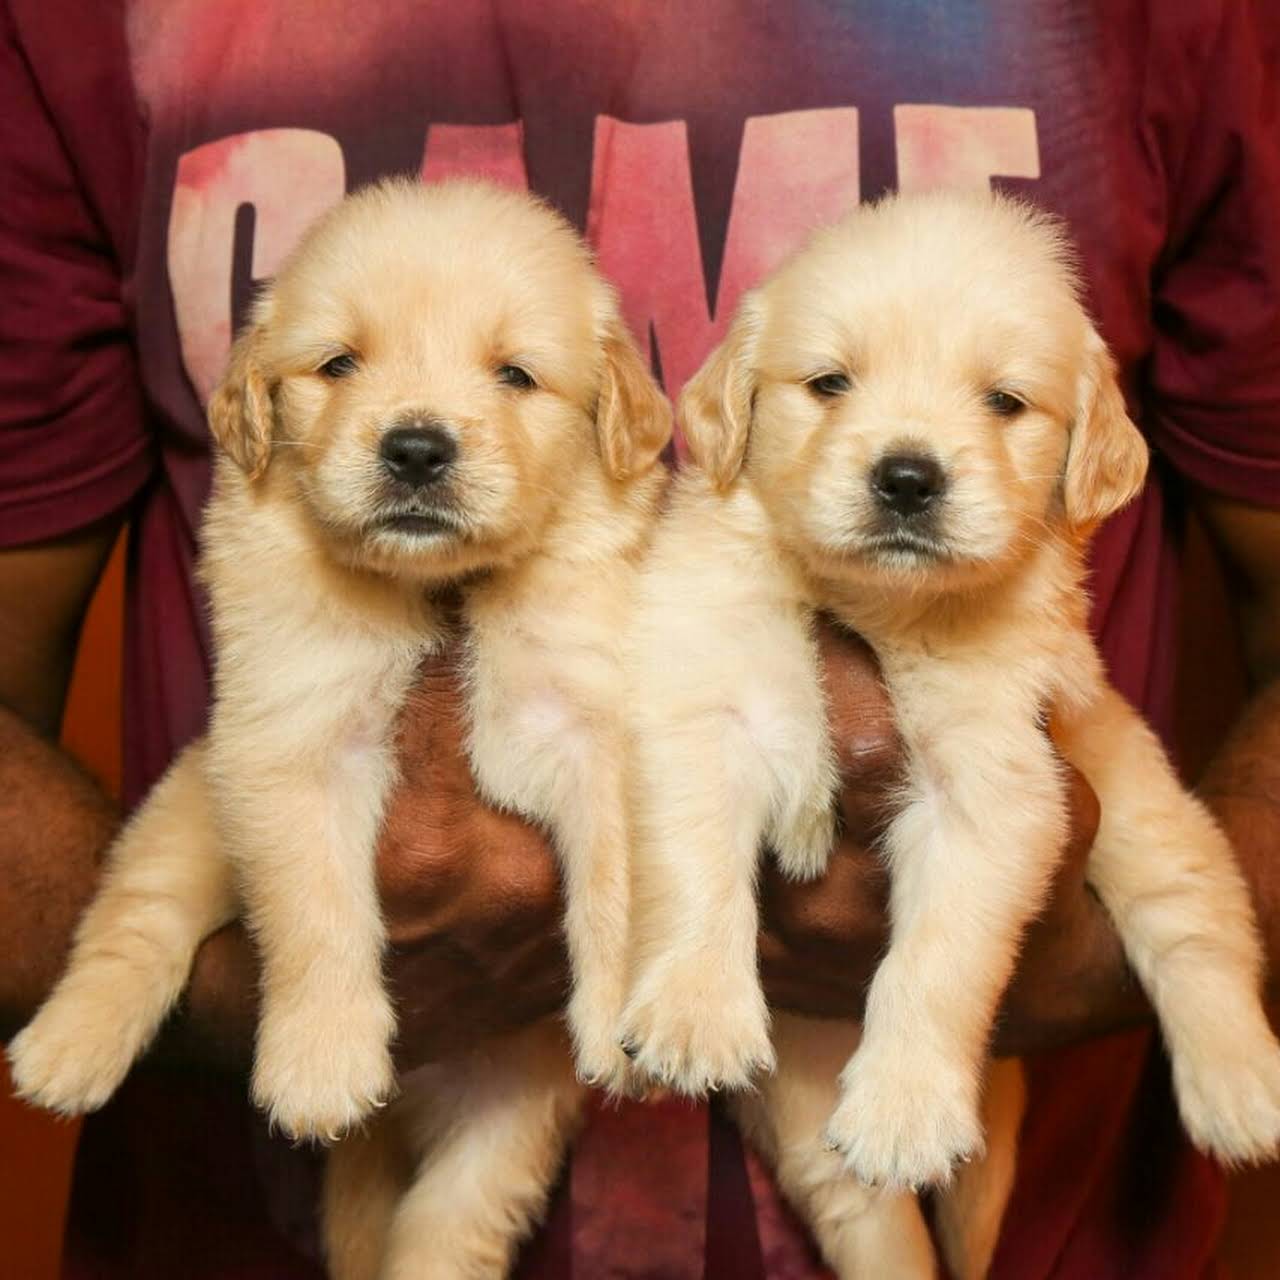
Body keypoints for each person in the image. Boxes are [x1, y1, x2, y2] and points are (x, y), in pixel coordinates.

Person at [1, 1, 1277, 1276]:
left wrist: (1089, 967)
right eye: (828, 385)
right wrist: (234, 982)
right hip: (226, 1215)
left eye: (1000, 402)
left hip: (1062, 1202)